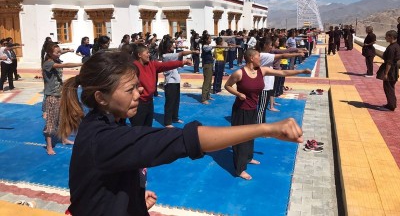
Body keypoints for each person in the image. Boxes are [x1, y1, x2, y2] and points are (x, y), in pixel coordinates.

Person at [57, 51, 303, 215]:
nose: (138, 94)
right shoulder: (104, 140)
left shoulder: (110, 124)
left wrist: (134, 197)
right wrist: (267, 128)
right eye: (131, 89)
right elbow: (181, 141)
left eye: (138, 86)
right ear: (101, 97)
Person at [225, 49, 311, 180]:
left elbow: (282, 72)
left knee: (251, 135)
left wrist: (302, 71)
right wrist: (238, 94)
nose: (261, 59)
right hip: (241, 110)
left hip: (253, 108)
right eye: (259, 57)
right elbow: (228, 85)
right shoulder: (239, 73)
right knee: (240, 139)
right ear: (252, 58)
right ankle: (239, 169)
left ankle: (248, 158)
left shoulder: (262, 71)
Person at [130, 43, 191, 127]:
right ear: (139, 55)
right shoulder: (133, 66)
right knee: (137, 128)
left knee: (148, 127)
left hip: (149, 101)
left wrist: (182, 62)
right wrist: (136, 89)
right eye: (147, 53)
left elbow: (166, 65)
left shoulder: (152, 64)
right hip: (139, 102)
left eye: (149, 53)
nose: (149, 54)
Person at [42, 42, 82, 155]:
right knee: (51, 122)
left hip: (60, 95)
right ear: (50, 53)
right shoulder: (48, 63)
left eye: (60, 52)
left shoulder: (55, 57)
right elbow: (63, 65)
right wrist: (80, 64)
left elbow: (59, 53)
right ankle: (49, 146)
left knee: (62, 119)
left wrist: (67, 50)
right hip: (52, 97)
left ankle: (64, 139)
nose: (59, 54)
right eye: (57, 52)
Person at [161, 38, 198, 127]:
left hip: (175, 81)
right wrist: (193, 51)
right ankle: (168, 122)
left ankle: (174, 117)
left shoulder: (170, 55)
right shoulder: (166, 56)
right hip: (170, 82)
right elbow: (181, 53)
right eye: (172, 46)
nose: (174, 46)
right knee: (170, 102)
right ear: (169, 48)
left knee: (176, 101)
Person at [377, 30, 400, 111]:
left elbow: (389, 62)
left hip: (391, 71)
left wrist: (386, 73)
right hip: (394, 70)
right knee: (390, 87)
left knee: (388, 87)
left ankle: (391, 106)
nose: (385, 37)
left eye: (387, 36)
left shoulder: (392, 48)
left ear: (391, 37)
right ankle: (391, 104)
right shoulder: (396, 45)